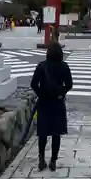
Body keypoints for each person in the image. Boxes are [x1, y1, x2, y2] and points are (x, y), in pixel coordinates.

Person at [30, 42, 73, 172]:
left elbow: (33, 84)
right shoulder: (64, 66)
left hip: (44, 103)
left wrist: (41, 94)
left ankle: (41, 159)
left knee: (42, 132)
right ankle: (53, 161)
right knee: (56, 132)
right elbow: (69, 84)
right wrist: (61, 93)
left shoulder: (41, 66)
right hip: (57, 103)